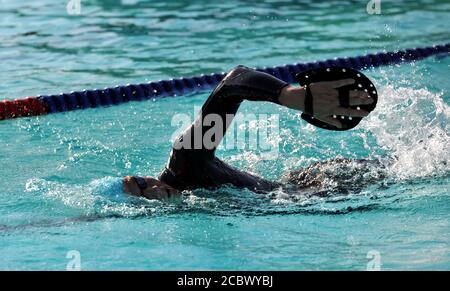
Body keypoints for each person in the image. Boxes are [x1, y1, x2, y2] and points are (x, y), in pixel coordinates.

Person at [122, 65, 373, 200]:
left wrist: (289, 96)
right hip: (302, 194)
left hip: (330, 185)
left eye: (141, 184)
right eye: (143, 198)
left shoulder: (186, 161)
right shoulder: (188, 208)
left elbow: (235, 81)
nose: (152, 192)